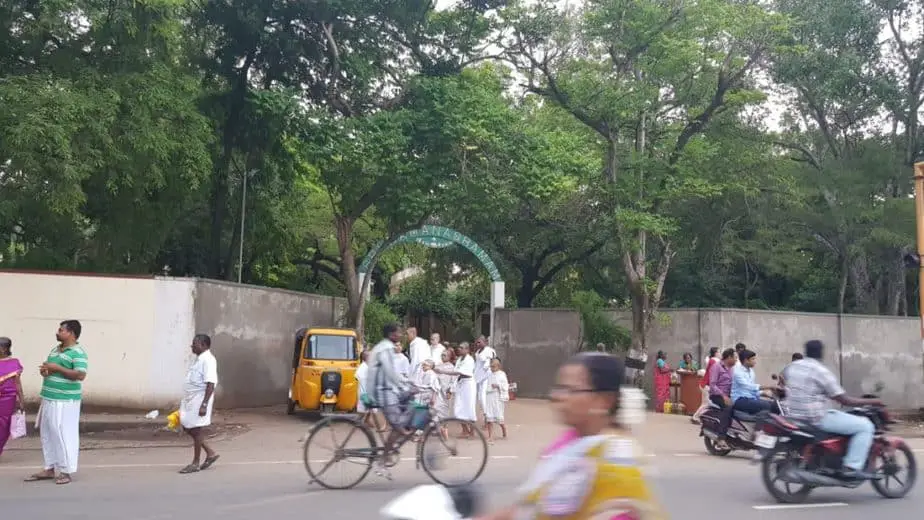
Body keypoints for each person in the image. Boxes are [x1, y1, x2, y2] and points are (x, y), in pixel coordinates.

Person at [473, 353, 665, 520]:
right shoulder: (570, 441)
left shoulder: (616, 466)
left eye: (571, 390)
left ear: (603, 401)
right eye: (559, 387)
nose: (557, 396)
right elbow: (528, 509)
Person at [784, 340, 883, 480]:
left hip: (793, 415)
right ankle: (852, 467)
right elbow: (844, 400)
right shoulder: (821, 371)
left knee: (840, 416)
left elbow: (784, 379)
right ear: (821, 353)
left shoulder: (792, 367)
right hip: (816, 418)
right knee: (865, 426)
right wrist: (873, 401)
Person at [25, 320, 88, 485]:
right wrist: (46, 371)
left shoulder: (78, 352)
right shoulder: (55, 350)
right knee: (48, 433)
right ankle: (49, 467)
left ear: (71, 333)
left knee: (63, 433)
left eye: (61, 330)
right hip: (49, 397)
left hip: (65, 400)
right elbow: (51, 370)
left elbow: (80, 375)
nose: (58, 333)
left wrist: (57, 368)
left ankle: (66, 471)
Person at [367, 323, 413, 473]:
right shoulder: (386, 348)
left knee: (409, 408)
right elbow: (390, 373)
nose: (400, 336)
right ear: (392, 335)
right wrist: (406, 386)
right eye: (398, 333)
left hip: (385, 390)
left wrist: (406, 385)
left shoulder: (383, 347)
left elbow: (393, 374)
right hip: (383, 393)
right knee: (399, 427)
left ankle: (391, 448)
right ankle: (383, 460)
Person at [177, 334, 220, 474]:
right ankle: (210, 453)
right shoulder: (199, 360)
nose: (192, 346)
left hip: (199, 399)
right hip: (191, 399)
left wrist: (204, 404)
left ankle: (195, 463)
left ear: (203, 345)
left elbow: (211, 384)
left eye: (194, 343)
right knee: (188, 426)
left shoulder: (208, 360)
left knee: (196, 430)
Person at [434, 341, 476, 438]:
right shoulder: (459, 359)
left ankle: (472, 432)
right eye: (459, 347)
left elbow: (458, 372)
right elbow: (456, 375)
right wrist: (451, 389)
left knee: (469, 409)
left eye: (461, 348)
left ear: (467, 349)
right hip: (460, 384)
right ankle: (465, 430)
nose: (459, 349)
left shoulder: (470, 360)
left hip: (468, 385)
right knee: (458, 409)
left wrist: (443, 371)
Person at [731, 350, 779, 415]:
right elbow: (748, 386)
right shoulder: (738, 372)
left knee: (776, 405)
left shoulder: (751, 371)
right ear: (746, 360)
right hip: (740, 400)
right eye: (753, 359)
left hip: (751, 398)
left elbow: (752, 390)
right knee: (769, 407)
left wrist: (765, 394)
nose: (755, 362)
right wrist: (769, 387)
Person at [0, 337, 24, 458]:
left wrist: (21, 401)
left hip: (7, 400)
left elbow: (17, 384)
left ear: (4, 349)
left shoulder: (14, 363)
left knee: (3, 427)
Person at [709, 348, 737, 443]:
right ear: (729, 357)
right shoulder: (716, 367)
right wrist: (723, 396)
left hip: (729, 395)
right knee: (728, 408)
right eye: (735, 358)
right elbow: (712, 385)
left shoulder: (732, 369)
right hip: (717, 395)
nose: (736, 360)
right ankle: (721, 437)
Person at [691, 347, 719, 424]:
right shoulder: (714, 361)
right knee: (706, 404)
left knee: (706, 403)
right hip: (706, 385)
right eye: (719, 352)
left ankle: (699, 417)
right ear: (715, 353)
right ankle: (695, 417)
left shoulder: (711, 360)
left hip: (705, 385)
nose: (720, 354)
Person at [484, 358, 509, 443]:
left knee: (499, 417)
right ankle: (490, 436)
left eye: (494, 366)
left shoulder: (502, 374)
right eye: (491, 366)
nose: (492, 368)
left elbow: (505, 386)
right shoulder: (489, 374)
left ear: (498, 366)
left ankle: (504, 429)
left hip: (498, 397)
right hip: (489, 397)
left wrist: (498, 386)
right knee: (489, 418)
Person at [473, 336, 497, 423]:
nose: (478, 344)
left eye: (480, 342)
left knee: (483, 397)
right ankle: (485, 415)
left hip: (486, 376)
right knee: (479, 397)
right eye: (477, 342)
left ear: (485, 342)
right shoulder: (478, 351)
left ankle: (488, 417)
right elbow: (477, 364)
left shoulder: (489, 351)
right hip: (478, 376)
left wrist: (487, 365)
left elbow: (491, 362)